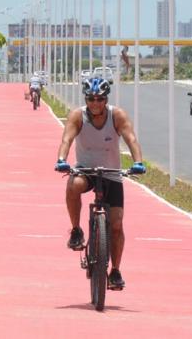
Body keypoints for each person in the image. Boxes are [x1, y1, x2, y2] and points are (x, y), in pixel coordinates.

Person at [54, 77, 146, 290]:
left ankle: (115, 271)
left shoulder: (117, 115)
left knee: (116, 225)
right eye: (91, 99)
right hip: (86, 170)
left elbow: (131, 138)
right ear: (86, 99)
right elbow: (66, 139)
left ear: (106, 99)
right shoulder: (78, 115)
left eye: (99, 99)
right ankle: (76, 230)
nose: (95, 103)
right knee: (73, 184)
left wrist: (138, 162)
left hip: (111, 173)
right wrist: (61, 160)